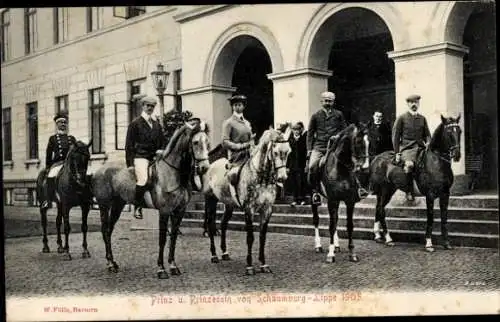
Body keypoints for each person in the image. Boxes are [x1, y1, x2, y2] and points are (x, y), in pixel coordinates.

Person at [125, 95, 166, 219]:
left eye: (152, 106)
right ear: (143, 106)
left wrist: (161, 150)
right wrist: (130, 164)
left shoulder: (156, 124)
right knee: (143, 179)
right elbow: (129, 145)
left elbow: (162, 141)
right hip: (141, 156)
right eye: (148, 106)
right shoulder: (135, 123)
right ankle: (138, 206)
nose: (150, 108)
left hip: (155, 157)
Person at [306, 91, 348, 205]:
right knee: (311, 167)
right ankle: (315, 192)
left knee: (348, 164)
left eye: (330, 101)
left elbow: (345, 130)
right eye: (326, 101)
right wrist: (309, 150)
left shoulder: (339, 114)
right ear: (321, 101)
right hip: (319, 147)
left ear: (333, 102)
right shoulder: (315, 115)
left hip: (334, 148)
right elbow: (310, 133)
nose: (328, 103)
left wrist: (338, 136)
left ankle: (356, 189)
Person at [392, 94, 431, 201]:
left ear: (419, 104)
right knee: (409, 165)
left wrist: (428, 142)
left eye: (416, 102)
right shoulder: (402, 118)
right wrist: (397, 153)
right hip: (407, 149)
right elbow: (395, 137)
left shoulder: (422, 118)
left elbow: (427, 134)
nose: (414, 104)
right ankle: (409, 191)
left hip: (421, 148)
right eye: (411, 102)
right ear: (408, 104)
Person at [41, 112, 77, 210]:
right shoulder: (53, 139)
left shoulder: (71, 138)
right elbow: (49, 154)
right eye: (61, 122)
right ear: (57, 124)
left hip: (69, 164)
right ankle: (48, 200)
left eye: (65, 122)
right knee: (51, 175)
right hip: (58, 163)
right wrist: (48, 166)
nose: (63, 124)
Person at [221, 94, 255, 187]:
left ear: (243, 106)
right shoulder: (228, 122)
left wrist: (253, 145)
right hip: (236, 156)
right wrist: (242, 146)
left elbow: (250, 139)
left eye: (239, 105)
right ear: (232, 107)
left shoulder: (247, 123)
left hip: (249, 155)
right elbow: (225, 142)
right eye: (235, 105)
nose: (237, 107)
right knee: (234, 176)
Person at [287, 122, 308, 206]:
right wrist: (288, 166)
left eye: (297, 130)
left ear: (300, 130)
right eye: (294, 130)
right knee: (294, 182)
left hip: (301, 164)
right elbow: (289, 154)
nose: (296, 132)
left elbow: (304, 151)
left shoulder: (303, 139)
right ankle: (295, 199)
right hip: (293, 165)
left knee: (302, 181)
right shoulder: (290, 139)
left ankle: (302, 199)